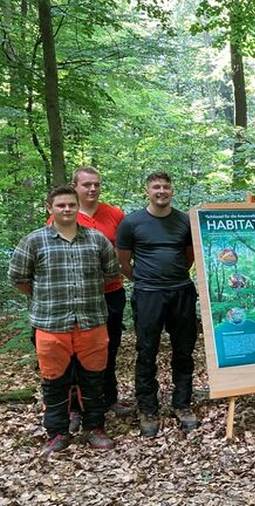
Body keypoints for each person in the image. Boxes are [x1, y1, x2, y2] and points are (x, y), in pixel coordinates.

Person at [8, 186, 119, 457]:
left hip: (91, 321)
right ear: (50, 208)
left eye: (71, 204)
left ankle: (95, 427)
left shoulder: (96, 240)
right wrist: (46, 295)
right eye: (61, 205)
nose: (67, 209)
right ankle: (57, 432)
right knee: (53, 381)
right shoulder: (34, 241)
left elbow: (112, 273)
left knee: (94, 379)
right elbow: (18, 278)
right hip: (50, 324)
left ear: (77, 206)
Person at [48, 167, 130, 434]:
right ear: (75, 186)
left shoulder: (115, 214)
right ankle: (75, 407)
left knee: (110, 347)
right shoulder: (65, 213)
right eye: (86, 185)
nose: (92, 189)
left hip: (111, 292)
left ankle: (108, 399)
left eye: (96, 184)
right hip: (77, 298)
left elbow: (128, 245)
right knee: (74, 353)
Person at [117, 172, 199, 437]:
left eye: (166, 186)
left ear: (171, 190)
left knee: (184, 350)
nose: (161, 191)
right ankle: (148, 408)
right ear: (147, 190)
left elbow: (189, 256)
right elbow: (123, 262)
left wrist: (173, 277)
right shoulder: (132, 222)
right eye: (156, 187)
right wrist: (146, 280)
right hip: (148, 294)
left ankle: (182, 403)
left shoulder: (184, 221)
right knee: (146, 350)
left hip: (181, 292)